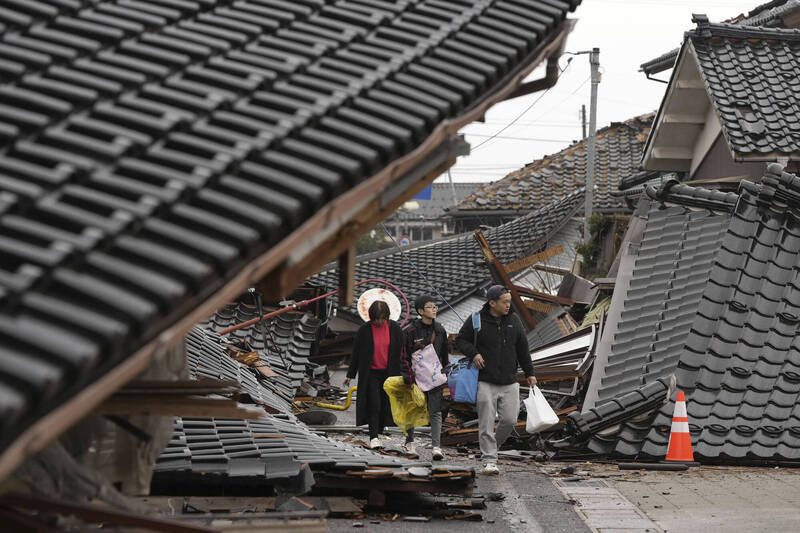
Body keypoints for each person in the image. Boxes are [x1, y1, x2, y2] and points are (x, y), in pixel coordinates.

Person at [455, 285, 536, 475]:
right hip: (485, 380)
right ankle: (490, 459)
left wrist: (530, 373)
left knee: (509, 420)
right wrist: (474, 354)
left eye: (509, 301)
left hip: (510, 380)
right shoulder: (476, 320)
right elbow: (461, 340)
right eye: (505, 302)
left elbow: (523, 349)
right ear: (492, 303)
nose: (509, 305)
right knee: (486, 422)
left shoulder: (514, 321)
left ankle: (492, 448)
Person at [344, 300, 404, 449]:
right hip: (371, 373)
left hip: (390, 373)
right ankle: (374, 437)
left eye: (382, 318)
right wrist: (350, 374)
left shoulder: (395, 329)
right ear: (371, 317)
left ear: (387, 317)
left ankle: (380, 431)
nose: (379, 321)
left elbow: (403, 352)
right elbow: (356, 353)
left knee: (386, 404)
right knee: (374, 404)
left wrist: (406, 373)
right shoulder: (364, 330)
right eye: (376, 318)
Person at [400, 294, 449, 459]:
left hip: (435, 378)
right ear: (420, 311)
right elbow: (403, 356)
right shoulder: (410, 331)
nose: (434, 310)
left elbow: (444, 355)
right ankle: (409, 442)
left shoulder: (440, 330)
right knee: (413, 410)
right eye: (430, 307)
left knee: (435, 412)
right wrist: (408, 377)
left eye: (435, 307)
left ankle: (436, 447)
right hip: (415, 378)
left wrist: (446, 372)